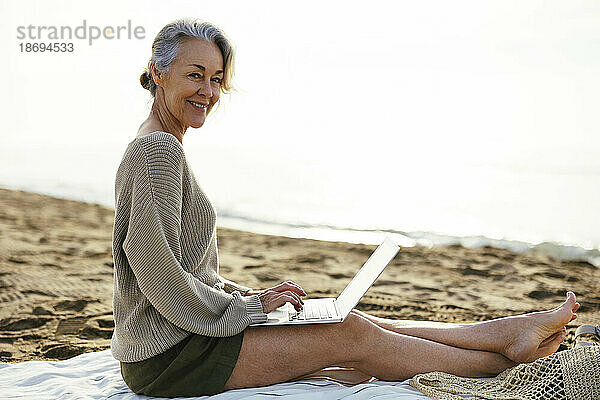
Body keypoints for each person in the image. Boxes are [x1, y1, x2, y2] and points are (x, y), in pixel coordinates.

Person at [111, 17, 581, 398]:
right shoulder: (158, 151)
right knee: (351, 335)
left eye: (216, 79)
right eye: (195, 75)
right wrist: (247, 310)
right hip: (170, 358)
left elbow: (180, 268)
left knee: (350, 321)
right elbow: (155, 272)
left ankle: (507, 333)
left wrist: (246, 300)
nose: (208, 92)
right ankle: (510, 370)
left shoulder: (157, 144)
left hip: (177, 343)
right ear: (159, 73)